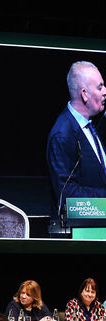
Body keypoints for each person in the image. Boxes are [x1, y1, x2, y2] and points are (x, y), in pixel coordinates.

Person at [47, 61, 106, 222]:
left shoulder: (92, 125)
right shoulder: (62, 135)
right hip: (77, 235)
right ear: (85, 94)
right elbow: (68, 196)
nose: (105, 92)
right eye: (100, 87)